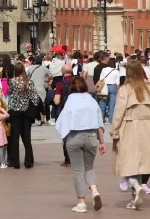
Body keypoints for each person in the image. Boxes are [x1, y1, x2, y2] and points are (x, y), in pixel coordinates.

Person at [111, 59, 150, 211]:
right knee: (140, 164)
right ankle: (134, 198)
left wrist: (114, 129)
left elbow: (119, 112)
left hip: (129, 127)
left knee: (128, 163)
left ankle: (136, 187)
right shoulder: (147, 88)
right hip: (147, 128)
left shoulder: (124, 90)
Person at [56, 75, 105, 213]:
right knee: (89, 167)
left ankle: (81, 203)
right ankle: (94, 191)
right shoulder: (92, 102)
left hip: (74, 137)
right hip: (91, 136)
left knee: (78, 170)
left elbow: (61, 122)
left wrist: (64, 138)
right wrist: (101, 142)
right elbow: (99, 125)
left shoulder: (70, 102)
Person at [6, 61, 35, 169]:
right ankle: (28, 161)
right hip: (26, 111)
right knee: (26, 137)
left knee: (15, 137)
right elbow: (34, 97)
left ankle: (15, 161)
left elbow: (10, 94)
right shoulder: (29, 82)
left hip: (15, 111)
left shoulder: (12, 81)